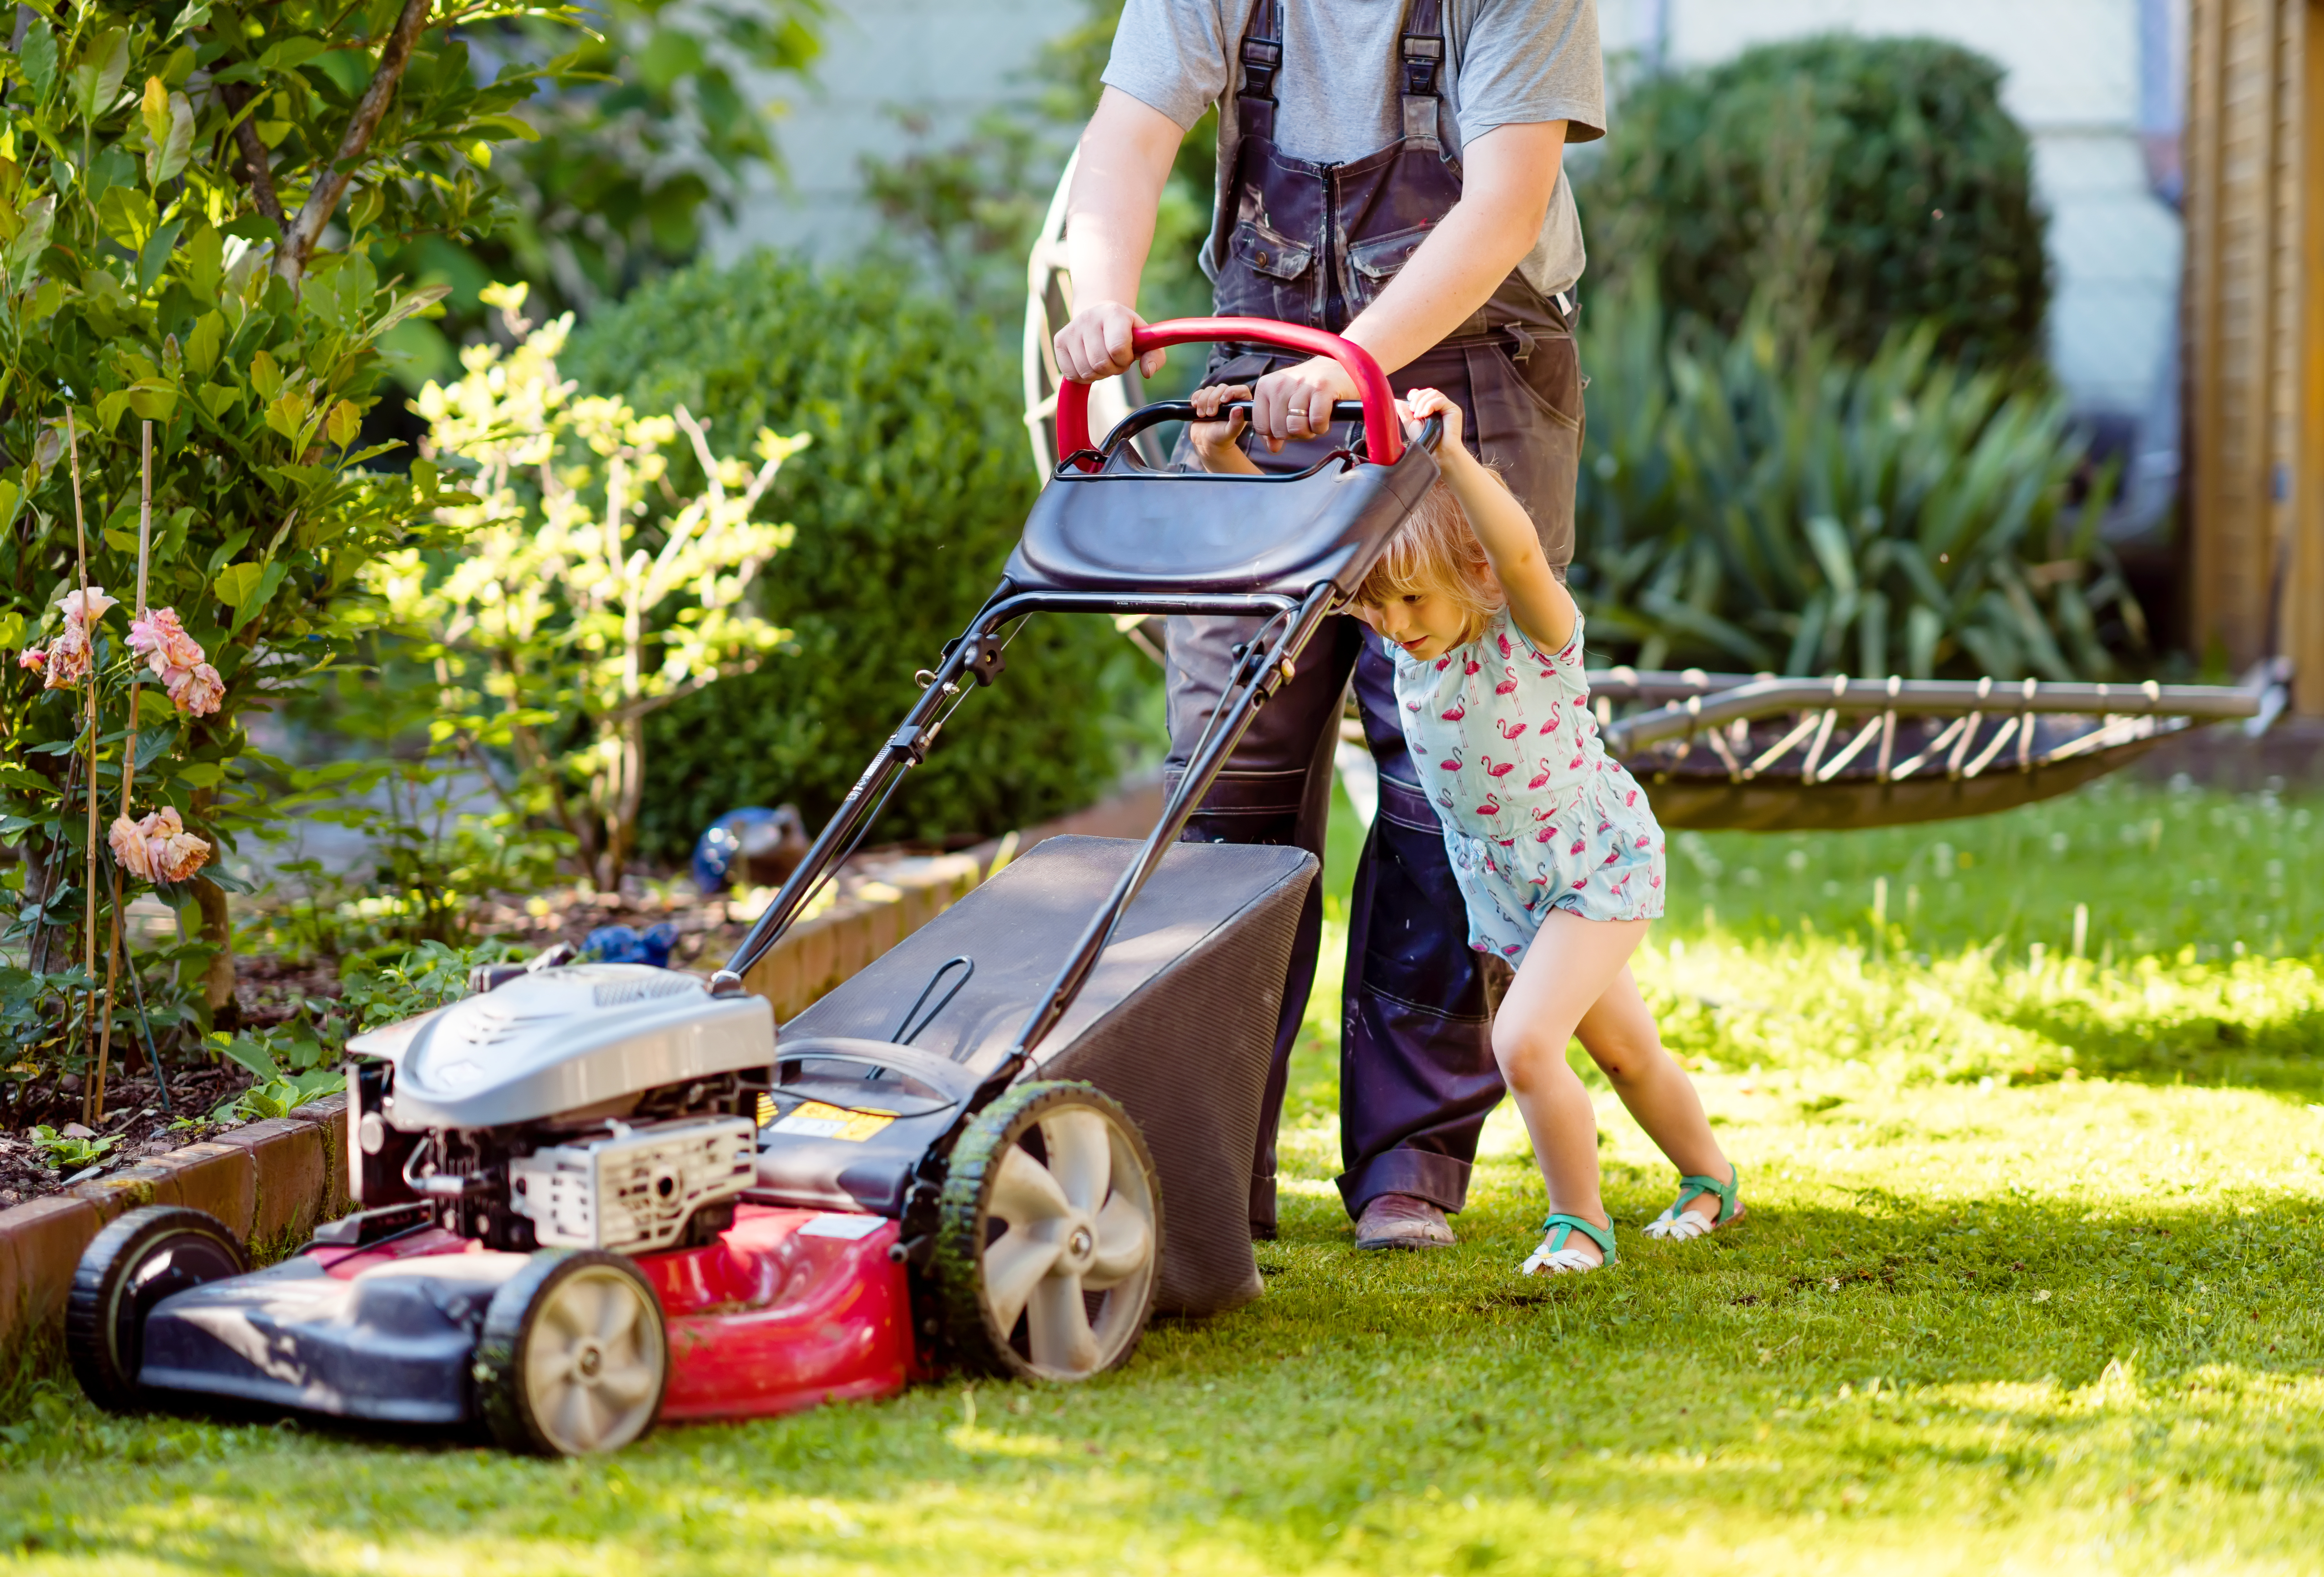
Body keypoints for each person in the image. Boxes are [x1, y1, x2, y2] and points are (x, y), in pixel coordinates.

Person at [1053, 0, 1606, 1248]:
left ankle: (1406, 1167)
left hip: (1468, 374)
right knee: (1225, 768)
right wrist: (1100, 306)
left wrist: (1350, 361)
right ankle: (1200, 1165)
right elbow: (1128, 137)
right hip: (1260, 373)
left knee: (1443, 776)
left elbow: (1503, 201)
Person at [1192, 383, 1743, 1269]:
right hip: (1505, 880)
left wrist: (1449, 456)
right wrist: (1222, 453)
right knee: (1627, 1054)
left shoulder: (1526, 631)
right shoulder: (1396, 620)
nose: (1388, 622)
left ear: (1472, 575)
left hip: (1589, 862)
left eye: (1408, 600)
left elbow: (1522, 551)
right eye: (1375, 603)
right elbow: (1299, 550)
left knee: (1523, 1043)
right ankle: (1710, 1181)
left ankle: (1578, 1222)